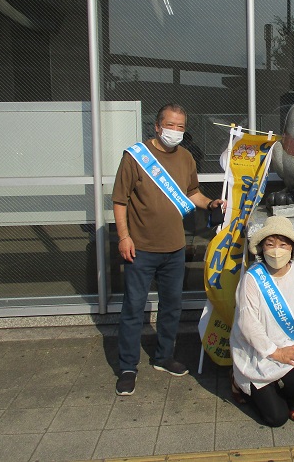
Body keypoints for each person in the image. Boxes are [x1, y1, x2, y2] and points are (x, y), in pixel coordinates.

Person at [112, 103, 224, 396]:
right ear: (157, 126)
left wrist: (210, 203)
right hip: (140, 248)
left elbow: (192, 194)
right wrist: (124, 237)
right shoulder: (135, 157)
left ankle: (163, 357)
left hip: (175, 248)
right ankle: (127, 366)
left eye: (180, 127)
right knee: (133, 309)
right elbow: (120, 200)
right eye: (170, 125)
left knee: (171, 306)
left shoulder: (186, 157)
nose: (175, 131)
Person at [230, 216, 294, 427]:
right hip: (259, 353)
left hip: (290, 347)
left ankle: (289, 404)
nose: (276, 250)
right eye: (270, 244)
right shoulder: (252, 278)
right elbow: (248, 323)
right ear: (261, 248)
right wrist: (276, 352)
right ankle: (239, 382)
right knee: (275, 419)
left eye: (282, 244)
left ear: (292, 248)